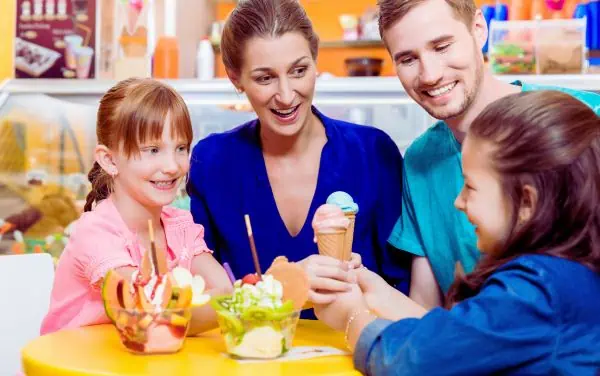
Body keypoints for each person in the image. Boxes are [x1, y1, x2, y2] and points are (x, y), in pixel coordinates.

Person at [315, 90, 600, 375]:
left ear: (527, 202)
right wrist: (373, 290)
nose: (458, 201)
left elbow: (413, 362)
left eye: (470, 187)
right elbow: (460, 337)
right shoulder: (567, 273)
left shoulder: (536, 290)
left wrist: (352, 317)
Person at [186, 0, 410, 313]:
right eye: (265, 78)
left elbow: (404, 289)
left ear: (316, 59)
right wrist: (285, 287)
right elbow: (197, 296)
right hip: (249, 353)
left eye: (299, 71)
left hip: (357, 353)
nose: (287, 95)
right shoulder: (211, 163)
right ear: (236, 78)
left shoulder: (373, 154)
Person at [378, 0, 600, 308]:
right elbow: (426, 311)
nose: (429, 75)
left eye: (442, 47)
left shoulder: (585, 121)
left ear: (478, 29)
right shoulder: (419, 161)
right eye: (407, 59)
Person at [41, 78, 232, 335]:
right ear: (109, 160)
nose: (172, 165)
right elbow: (150, 313)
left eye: (180, 148)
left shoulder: (180, 226)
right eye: (153, 150)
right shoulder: (96, 233)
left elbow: (225, 291)